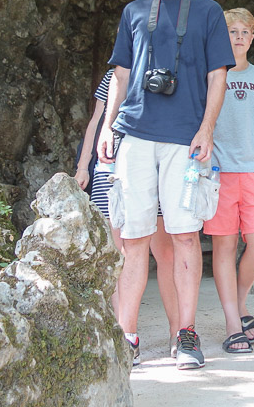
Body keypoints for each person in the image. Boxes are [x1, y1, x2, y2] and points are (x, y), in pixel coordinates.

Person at [97, 0, 234, 369]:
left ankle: (186, 334)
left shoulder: (209, 12)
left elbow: (219, 77)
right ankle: (127, 335)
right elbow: (120, 75)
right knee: (132, 238)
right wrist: (107, 127)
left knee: (184, 235)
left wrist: (207, 130)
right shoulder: (135, 12)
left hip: (184, 140)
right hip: (135, 133)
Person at [74, 69, 180, 353]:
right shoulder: (113, 76)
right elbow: (97, 122)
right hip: (110, 167)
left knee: (165, 251)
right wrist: (84, 166)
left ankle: (178, 333)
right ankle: (123, 334)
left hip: (155, 166)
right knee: (117, 251)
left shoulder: (167, 68)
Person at [203, 8, 254, 354]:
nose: (238, 37)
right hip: (219, 173)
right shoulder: (210, 76)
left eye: (244, 32)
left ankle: (239, 301)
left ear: (252, 37)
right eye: (232, 31)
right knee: (223, 247)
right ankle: (232, 323)